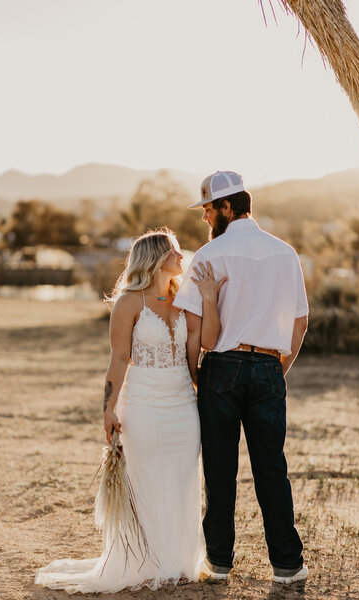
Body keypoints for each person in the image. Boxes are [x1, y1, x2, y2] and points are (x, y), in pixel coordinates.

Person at [35, 228, 224, 593]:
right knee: (146, 481)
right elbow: (119, 360)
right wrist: (107, 410)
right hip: (142, 404)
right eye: (173, 252)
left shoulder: (184, 297)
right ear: (155, 257)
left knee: (183, 480)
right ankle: (143, 562)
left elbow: (196, 353)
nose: (181, 256)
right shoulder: (128, 303)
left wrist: (210, 300)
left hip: (183, 404)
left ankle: (179, 561)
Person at [173, 171, 309, 585]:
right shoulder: (285, 253)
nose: (204, 218)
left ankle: (217, 563)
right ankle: (287, 565)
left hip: (221, 368)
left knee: (219, 468)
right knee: (272, 469)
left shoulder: (208, 256)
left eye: (209, 209)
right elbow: (300, 325)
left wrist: (195, 376)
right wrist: (274, 368)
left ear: (227, 208)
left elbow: (194, 331)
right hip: (269, 366)